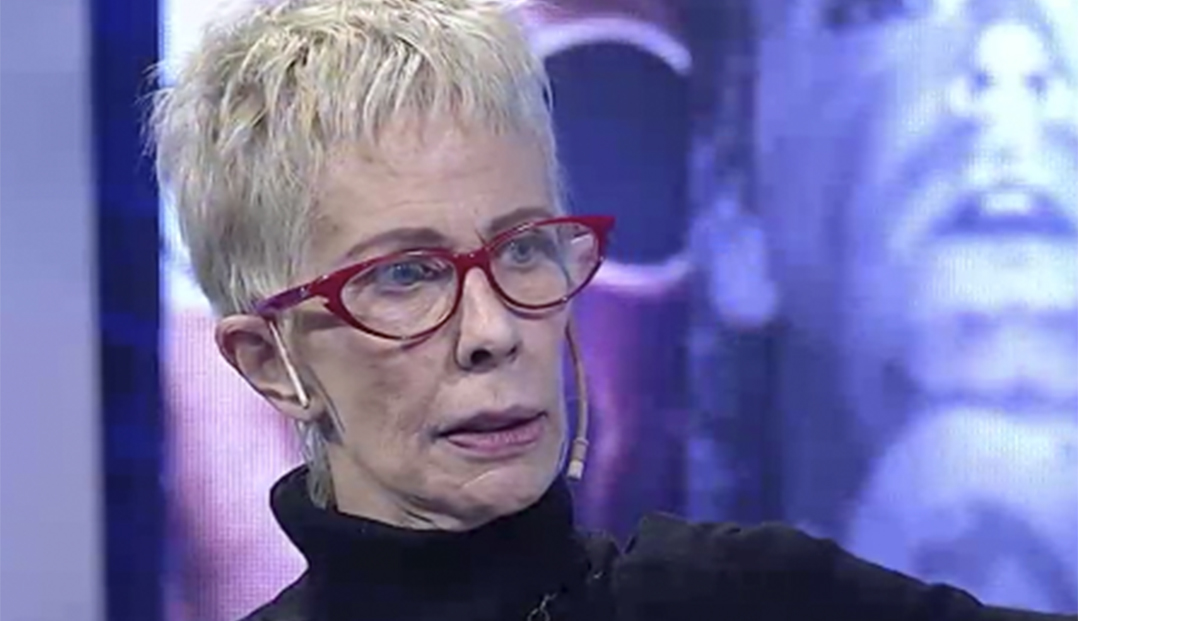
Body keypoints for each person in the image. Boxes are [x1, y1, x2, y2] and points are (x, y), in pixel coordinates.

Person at [149, 1, 1076, 619]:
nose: (494, 331)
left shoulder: (754, 598)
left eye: (522, 249)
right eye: (407, 275)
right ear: (270, 361)